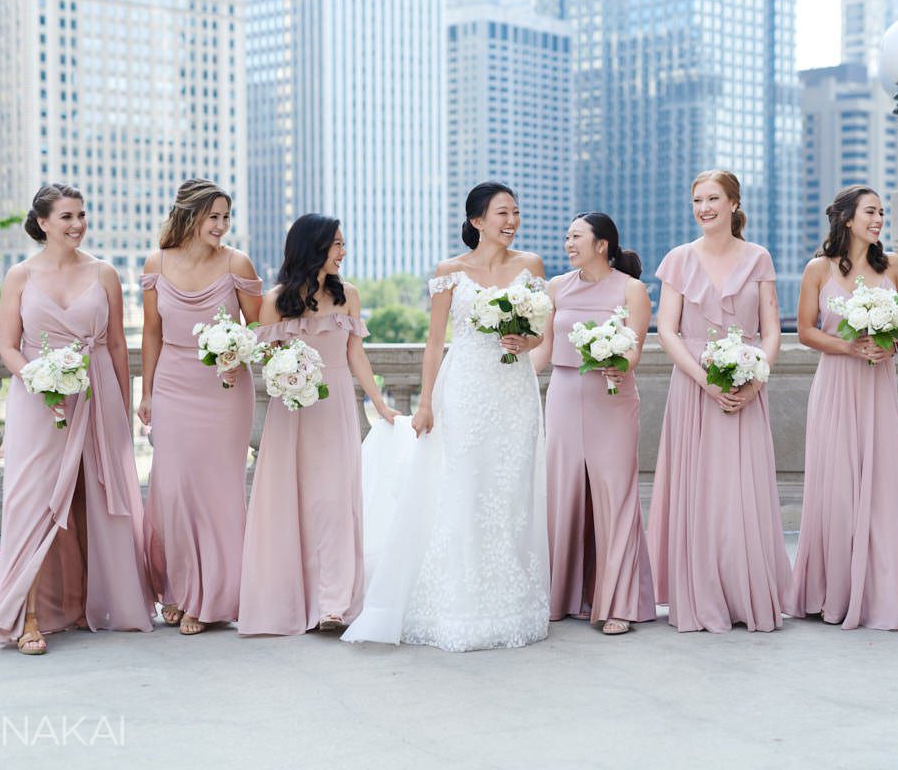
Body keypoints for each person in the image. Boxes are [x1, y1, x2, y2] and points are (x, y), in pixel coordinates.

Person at [343, 181, 550, 652]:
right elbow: (435, 342)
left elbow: (542, 334)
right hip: (466, 390)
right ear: (477, 221)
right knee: (467, 488)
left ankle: (510, 601)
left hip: (514, 391)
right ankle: (459, 603)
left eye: (515, 212)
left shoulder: (531, 267)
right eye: (501, 213)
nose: (511, 221)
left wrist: (527, 342)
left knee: (511, 491)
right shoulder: (449, 272)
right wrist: (426, 402)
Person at [0, 184, 153, 653]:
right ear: (43, 223)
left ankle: (82, 604)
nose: (77, 224)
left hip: (97, 394)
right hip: (39, 400)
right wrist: (37, 379)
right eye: (67, 217)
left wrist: (124, 404)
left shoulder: (104, 272)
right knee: (34, 504)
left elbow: (116, 344)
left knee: (89, 499)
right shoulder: (19, 275)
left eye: (82, 215)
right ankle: (28, 617)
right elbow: (8, 346)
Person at [238, 215, 398, 636]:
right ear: (314, 247)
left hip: (336, 406)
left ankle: (333, 603)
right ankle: (294, 600)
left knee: (334, 502)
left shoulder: (349, 296)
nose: (343, 252)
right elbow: (266, 359)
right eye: (337, 245)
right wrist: (286, 374)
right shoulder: (274, 301)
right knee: (294, 501)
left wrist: (379, 403)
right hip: (292, 411)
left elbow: (355, 355)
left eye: (343, 244)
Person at [647, 170, 791, 633]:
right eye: (697, 200)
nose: (704, 207)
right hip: (694, 390)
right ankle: (699, 595)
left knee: (742, 493)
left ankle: (748, 597)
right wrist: (706, 382)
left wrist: (754, 381)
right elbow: (666, 331)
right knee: (700, 492)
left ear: (733, 203)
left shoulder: (759, 258)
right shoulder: (678, 259)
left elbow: (771, 333)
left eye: (712, 198)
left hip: (747, 390)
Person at [787, 185, 898, 630]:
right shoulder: (819, 269)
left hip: (877, 386)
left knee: (883, 482)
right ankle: (832, 592)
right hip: (835, 385)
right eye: (870, 212)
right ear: (847, 218)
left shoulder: (894, 266)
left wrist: (888, 345)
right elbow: (806, 331)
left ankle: (880, 590)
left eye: (882, 213)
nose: (878, 220)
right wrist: (850, 348)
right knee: (836, 485)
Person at [139, 178, 262, 636]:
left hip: (225, 391)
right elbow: (151, 331)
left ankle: (207, 601)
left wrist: (236, 356)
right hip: (173, 384)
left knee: (217, 491)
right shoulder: (157, 263)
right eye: (214, 216)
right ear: (189, 216)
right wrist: (147, 391)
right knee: (170, 489)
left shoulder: (237, 263)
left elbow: (260, 326)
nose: (222, 225)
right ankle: (176, 588)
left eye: (227, 217)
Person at [532, 212, 655, 635]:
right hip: (564, 395)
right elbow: (544, 350)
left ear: (602, 244)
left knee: (614, 493)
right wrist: (506, 369)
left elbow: (634, 349)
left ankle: (617, 603)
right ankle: (561, 596)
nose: (568, 243)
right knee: (562, 492)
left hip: (612, 397)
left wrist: (621, 366)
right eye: (566, 236)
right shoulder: (555, 287)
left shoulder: (632, 289)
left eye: (576, 236)